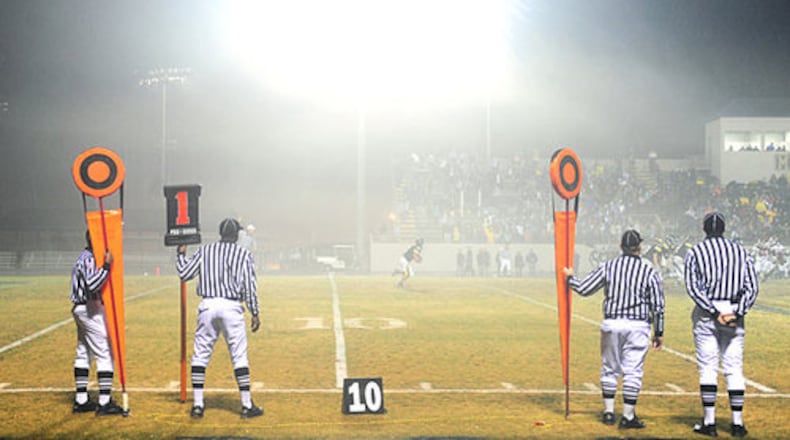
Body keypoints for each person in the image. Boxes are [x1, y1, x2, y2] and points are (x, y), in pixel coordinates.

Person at [563, 229, 665, 430]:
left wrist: (569, 279)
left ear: (621, 247)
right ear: (639, 247)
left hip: (612, 323)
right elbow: (658, 305)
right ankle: (627, 416)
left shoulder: (609, 267)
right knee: (633, 371)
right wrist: (659, 332)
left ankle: (608, 413)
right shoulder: (649, 270)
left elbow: (584, 289)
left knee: (609, 368)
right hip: (638, 325)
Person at [177, 218, 263, 419]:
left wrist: (180, 255)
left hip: (207, 305)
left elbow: (185, 273)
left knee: (200, 354)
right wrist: (255, 312)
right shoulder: (243, 254)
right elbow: (249, 285)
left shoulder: (205, 251)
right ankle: (246, 405)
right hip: (231, 306)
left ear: (220, 233)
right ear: (237, 235)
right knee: (239, 355)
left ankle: (198, 405)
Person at [684, 212, 758, 438]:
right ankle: (737, 423)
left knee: (708, 366)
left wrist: (714, 310)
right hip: (734, 311)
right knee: (734, 367)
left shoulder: (695, 251)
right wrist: (737, 311)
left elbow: (692, 287)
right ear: (724, 229)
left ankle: (710, 422)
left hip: (708, 314)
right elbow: (752, 287)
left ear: (704, 229)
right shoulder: (741, 251)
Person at [70, 230, 125, 415]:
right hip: (89, 308)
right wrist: (107, 267)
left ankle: (81, 400)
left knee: (83, 352)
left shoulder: (85, 257)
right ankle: (104, 402)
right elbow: (93, 284)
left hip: (84, 308)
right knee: (105, 353)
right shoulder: (88, 259)